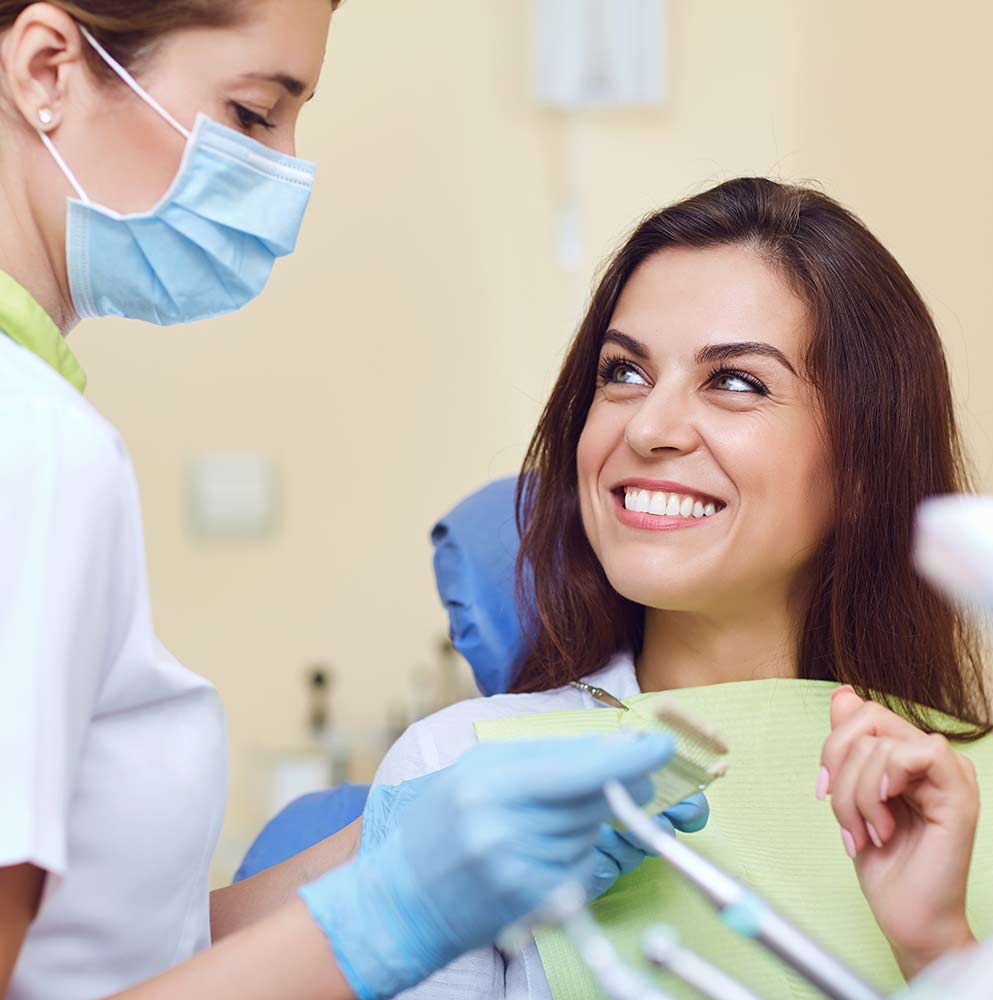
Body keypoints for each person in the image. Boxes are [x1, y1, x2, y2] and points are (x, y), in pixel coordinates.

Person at [0, 3, 696, 998]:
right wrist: (397, 908)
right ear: (46, 69)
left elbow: (100, 952)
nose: (285, 175)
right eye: (250, 114)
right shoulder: (34, 449)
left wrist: (378, 849)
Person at [370, 177, 993, 999]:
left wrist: (938, 952)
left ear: (862, 466)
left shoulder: (968, 791)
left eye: (735, 381)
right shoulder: (460, 772)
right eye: (623, 372)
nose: (648, 427)